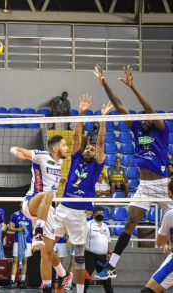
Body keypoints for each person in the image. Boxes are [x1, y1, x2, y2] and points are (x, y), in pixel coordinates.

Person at [94, 65, 171, 280]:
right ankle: (111, 266)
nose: (145, 118)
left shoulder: (162, 131)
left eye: (148, 116)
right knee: (130, 223)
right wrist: (105, 84)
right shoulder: (137, 129)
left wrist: (133, 86)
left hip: (163, 185)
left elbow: (150, 109)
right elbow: (120, 107)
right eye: (144, 117)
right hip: (145, 187)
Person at [54, 94, 112, 293]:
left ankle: (79, 291)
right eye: (88, 148)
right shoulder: (77, 159)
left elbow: (102, 143)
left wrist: (102, 119)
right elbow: (77, 136)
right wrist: (81, 113)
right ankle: (62, 275)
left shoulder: (96, 168)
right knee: (46, 246)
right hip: (62, 208)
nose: (89, 150)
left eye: (92, 150)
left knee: (79, 257)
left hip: (79, 214)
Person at [10, 135, 69, 292]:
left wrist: (60, 181)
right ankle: (38, 233)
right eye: (64, 145)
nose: (67, 148)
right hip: (32, 203)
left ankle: (59, 278)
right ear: (55, 148)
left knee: (47, 252)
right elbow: (16, 148)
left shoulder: (60, 162)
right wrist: (16, 151)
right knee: (47, 194)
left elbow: (51, 181)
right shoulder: (41, 156)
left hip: (47, 209)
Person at [139, 177, 173, 293]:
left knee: (148, 291)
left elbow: (159, 242)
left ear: (170, 192)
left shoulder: (169, 214)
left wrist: (165, 233)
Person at [84, 206, 113, 293]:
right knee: (86, 276)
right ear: (94, 214)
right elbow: (83, 239)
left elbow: (109, 240)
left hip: (102, 257)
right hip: (90, 255)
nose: (100, 214)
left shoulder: (105, 226)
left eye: (101, 213)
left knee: (105, 277)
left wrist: (109, 252)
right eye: (98, 213)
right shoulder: (88, 225)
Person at [6, 202, 32, 289]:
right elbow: (10, 227)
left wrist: (35, 241)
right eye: (22, 202)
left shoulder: (31, 214)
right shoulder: (15, 214)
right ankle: (12, 281)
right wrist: (18, 229)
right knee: (15, 260)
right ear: (20, 204)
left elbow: (35, 229)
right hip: (17, 240)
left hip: (27, 242)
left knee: (25, 261)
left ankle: (22, 281)